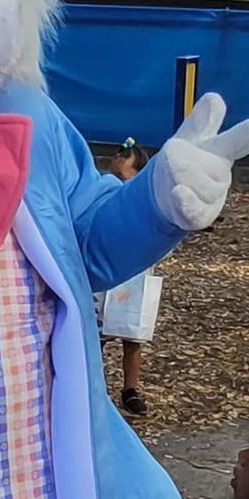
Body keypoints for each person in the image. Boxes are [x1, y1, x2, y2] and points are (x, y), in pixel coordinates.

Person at [98, 139, 155, 414]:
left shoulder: (143, 203)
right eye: (113, 175)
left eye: (123, 176)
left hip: (132, 274)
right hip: (103, 271)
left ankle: (130, 389)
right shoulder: (103, 195)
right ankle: (95, 386)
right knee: (95, 332)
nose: (116, 182)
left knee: (132, 336)